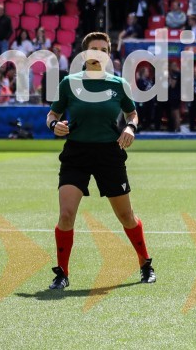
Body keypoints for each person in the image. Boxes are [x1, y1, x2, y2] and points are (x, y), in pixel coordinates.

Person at [45, 32, 155, 290]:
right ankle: (62, 273)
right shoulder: (69, 83)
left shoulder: (118, 84)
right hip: (76, 154)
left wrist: (130, 128)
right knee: (66, 215)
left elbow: (132, 114)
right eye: (93, 49)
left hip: (109, 154)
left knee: (126, 216)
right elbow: (52, 114)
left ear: (108, 55)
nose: (98, 53)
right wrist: (53, 125)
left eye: (103, 50)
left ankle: (145, 263)